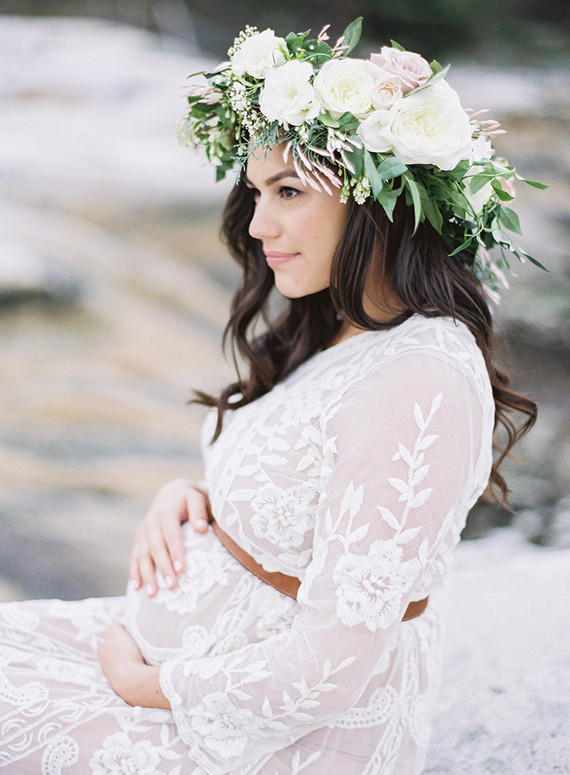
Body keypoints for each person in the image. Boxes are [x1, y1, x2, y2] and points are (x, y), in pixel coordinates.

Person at [0, 18, 542, 775]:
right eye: (256, 192)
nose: (258, 225)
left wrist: (141, 680)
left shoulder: (420, 374)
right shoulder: (341, 328)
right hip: (184, 657)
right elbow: (308, 489)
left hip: (270, 734)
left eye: (288, 190)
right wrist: (192, 498)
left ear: (378, 199)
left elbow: (329, 665)